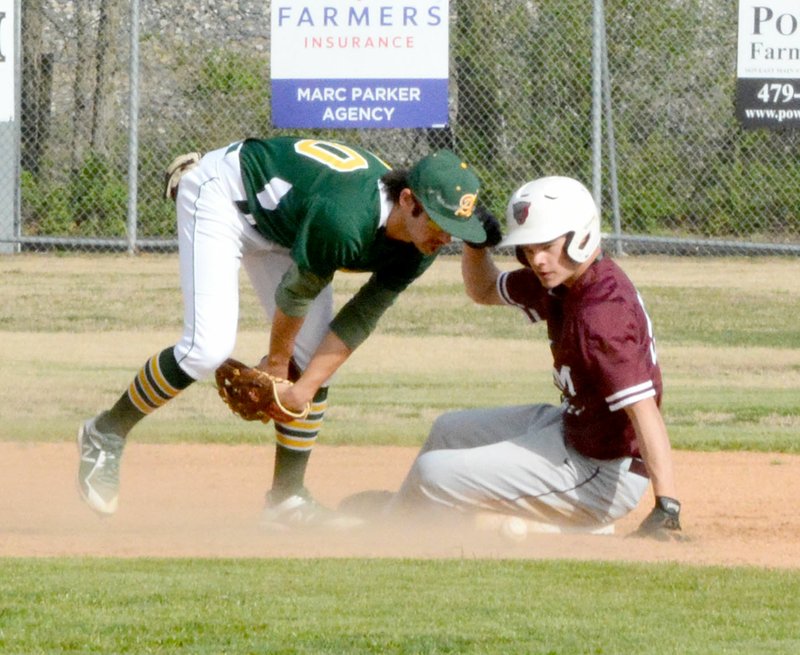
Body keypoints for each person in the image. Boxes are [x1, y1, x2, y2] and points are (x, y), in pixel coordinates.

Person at [77, 136, 491, 528]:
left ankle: (286, 499)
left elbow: (362, 315)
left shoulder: (421, 245)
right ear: (408, 200)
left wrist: (305, 386)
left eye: (456, 227)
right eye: (440, 221)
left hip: (290, 228)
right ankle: (105, 431)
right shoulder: (346, 219)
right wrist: (277, 365)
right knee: (207, 348)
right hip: (226, 196)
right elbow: (296, 296)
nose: (446, 237)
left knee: (314, 363)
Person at [389, 175, 683, 539]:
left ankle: (390, 534)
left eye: (546, 245)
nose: (538, 260)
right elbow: (483, 290)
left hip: (602, 470)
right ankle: (400, 517)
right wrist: (476, 244)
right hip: (571, 429)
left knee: (433, 474)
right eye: (528, 250)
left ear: (581, 237)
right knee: (447, 430)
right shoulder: (563, 282)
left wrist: (666, 504)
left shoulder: (602, 314)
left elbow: (644, 410)